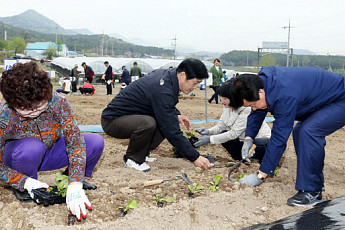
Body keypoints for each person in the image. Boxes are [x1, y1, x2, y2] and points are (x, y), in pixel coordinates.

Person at [0, 62, 104, 221]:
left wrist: (75, 181)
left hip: (49, 152)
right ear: (11, 103)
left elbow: (75, 141)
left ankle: (68, 181)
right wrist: (24, 181)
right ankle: (26, 186)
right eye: (27, 110)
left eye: (40, 106)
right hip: (20, 157)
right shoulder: (4, 115)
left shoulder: (59, 103)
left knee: (95, 142)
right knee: (31, 147)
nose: (35, 112)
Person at [230, 66, 345, 207]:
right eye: (250, 106)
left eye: (253, 104)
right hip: (324, 99)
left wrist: (261, 175)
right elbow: (257, 112)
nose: (253, 108)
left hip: (341, 99)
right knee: (300, 130)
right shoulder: (260, 83)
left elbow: (279, 138)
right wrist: (249, 138)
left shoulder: (284, 95)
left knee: (309, 131)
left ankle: (313, 191)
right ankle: (311, 185)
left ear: (260, 92)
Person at [101, 58, 212, 172]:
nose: (195, 87)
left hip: (132, 116)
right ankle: (133, 159)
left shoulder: (169, 78)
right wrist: (195, 157)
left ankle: (143, 153)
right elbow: (171, 130)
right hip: (113, 120)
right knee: (150, 123)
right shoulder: (163, 88)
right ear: (183, 75)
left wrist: (176, 115)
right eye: (195, 83)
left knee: (163, 120)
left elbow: (163, 105)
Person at [194, 81, 271, 162]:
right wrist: (208, 131)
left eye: (225, 98)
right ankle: (241, 159)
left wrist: (209, 139)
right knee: (222, 133)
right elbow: (221, 126)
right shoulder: (227, 107)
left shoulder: (246, 109)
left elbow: (234, 133)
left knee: (257, 144)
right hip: (243, 140)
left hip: (260, 140)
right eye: (221, 97)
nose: (221, 101)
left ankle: (262, 159)